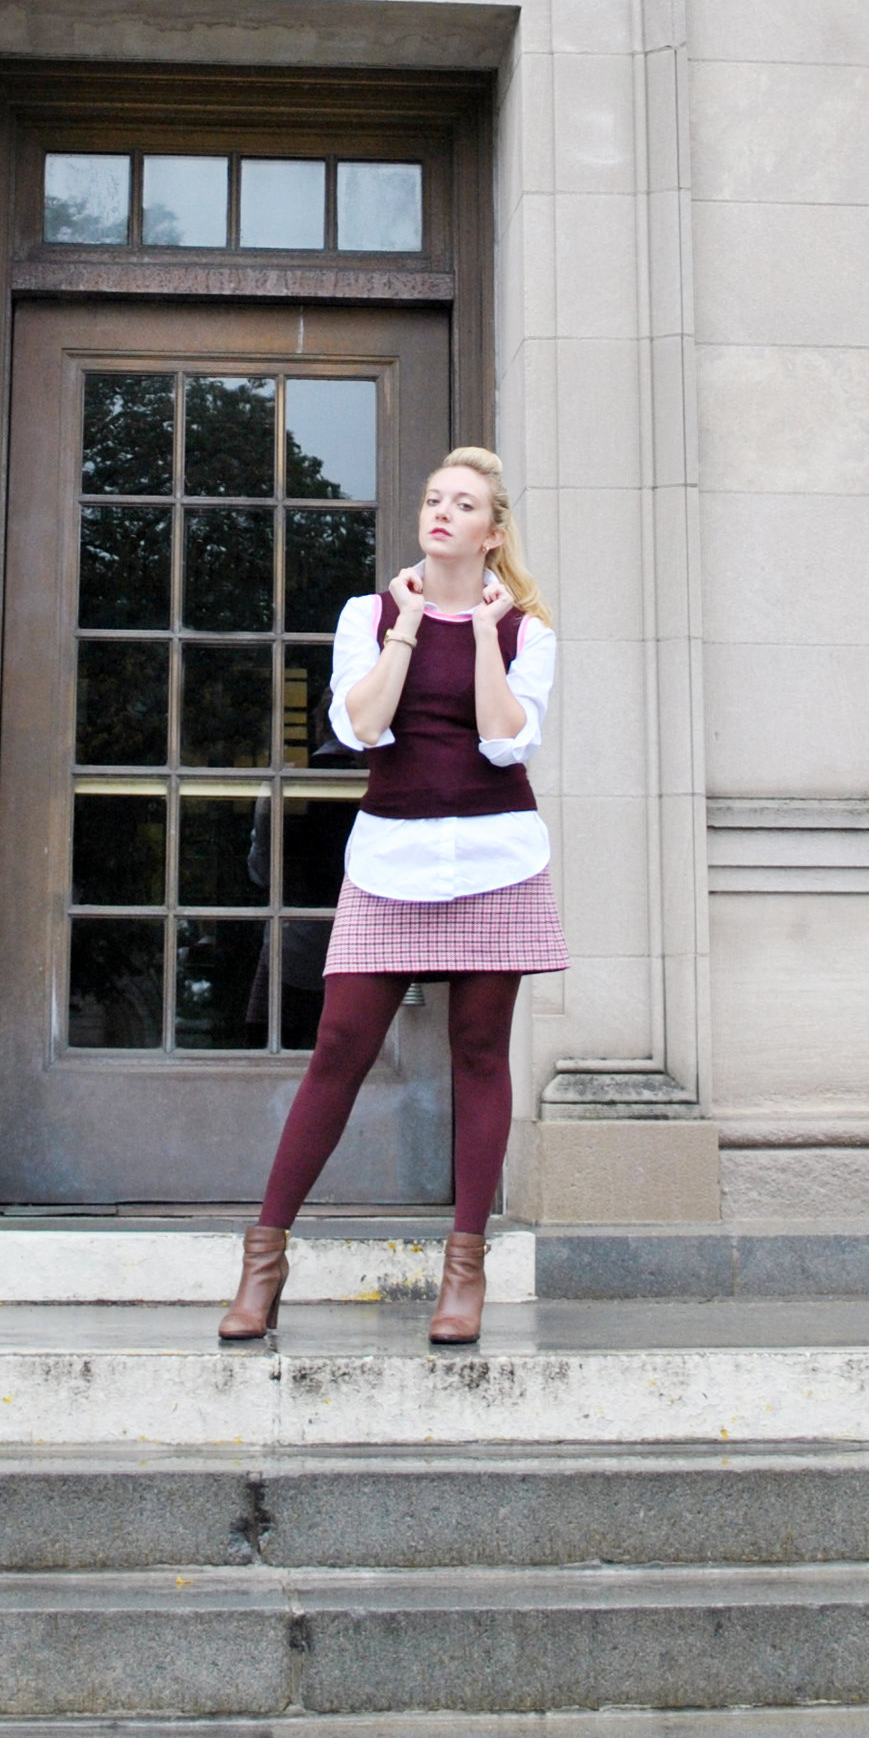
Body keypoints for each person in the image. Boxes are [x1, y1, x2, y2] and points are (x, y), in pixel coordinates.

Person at [219, 445, 562, 1353]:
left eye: (464, 503)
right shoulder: (367, 615)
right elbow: (358, 726)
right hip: (389, 862)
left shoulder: (529, 630)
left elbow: (503, 741)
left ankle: (465, 1270)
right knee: (338, 1047)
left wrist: (483, 631)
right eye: (433, 498)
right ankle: (264, 1260)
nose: (441, 512)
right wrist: (410, 626)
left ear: (493, 533)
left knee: (480, 1053)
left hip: (496, 858)